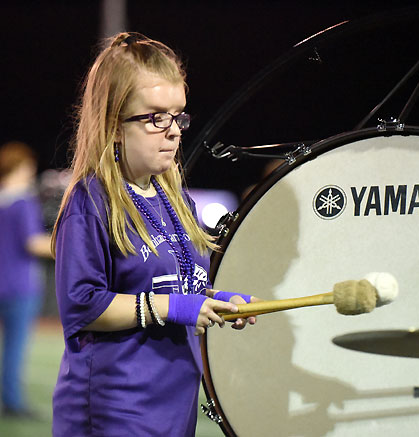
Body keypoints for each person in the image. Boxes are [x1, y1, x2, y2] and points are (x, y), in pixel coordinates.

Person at [51, 32, 258, 436]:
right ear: (113, 125)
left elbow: (175, 287)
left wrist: (216, 300)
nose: (174, 131)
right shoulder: (91, 200)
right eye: (155, 118)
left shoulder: (175, 198)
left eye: (178, 116)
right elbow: (81, 305)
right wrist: (172, 307)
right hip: (116, 411)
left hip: (174, 407)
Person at [0, 141, 52, 418]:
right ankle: (12, 402)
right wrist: (68, 245)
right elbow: (32, 243)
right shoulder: (23, 201)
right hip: (20, 286)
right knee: (14, 348)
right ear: (21, 167)